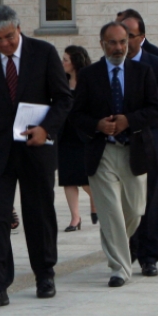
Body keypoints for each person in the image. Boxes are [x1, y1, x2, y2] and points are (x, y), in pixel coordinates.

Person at [0, 4, 72, 309]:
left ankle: (44, 273)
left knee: (39, 213)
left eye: (9, 37)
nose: (4, 44)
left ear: (18, 28)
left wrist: (46, 129)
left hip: (35, 148)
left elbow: (63, 99)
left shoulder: (44, 52)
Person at [69, 22, 158, 286]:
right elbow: (76, 115)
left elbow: (156, 108)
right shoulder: (89, 75)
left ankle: (115, 243)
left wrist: (129, 120)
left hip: (134, 150)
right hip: (103, 152)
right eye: (113, 42)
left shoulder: (143, 72)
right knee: (111, 212)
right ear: (102, 44)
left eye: (123, 41)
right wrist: (98, 125)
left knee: (134, 209)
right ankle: (120, 269)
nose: (119, 47)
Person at [117, 13, 158, 276]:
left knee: (151, 202)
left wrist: (145, 128)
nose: (124, 42)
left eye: (129, 35)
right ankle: (127, 250)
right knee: (124, 203)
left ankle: (149, 256)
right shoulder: (108, 67)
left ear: (141, 37)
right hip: (117, 145)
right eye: (119, 36)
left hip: (149, 141)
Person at [58, 45, 95, 232]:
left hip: (84, 135)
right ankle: (75, 218)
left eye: (65, 59)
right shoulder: (60, 81)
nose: (62, 62)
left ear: (75, 62)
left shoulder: (88, 80)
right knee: (68, 178)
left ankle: (96, 200)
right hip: (65, 134)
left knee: (84, 176)